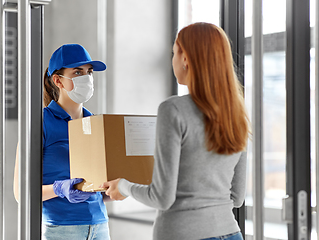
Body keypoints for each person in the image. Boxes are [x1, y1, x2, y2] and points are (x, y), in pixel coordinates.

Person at [101, 22, 250, 240]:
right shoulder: (236, 113)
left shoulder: (173, 110)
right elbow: (236, 198)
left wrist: (123, 186)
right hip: (230, 232)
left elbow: (162, 197)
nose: (173, 60)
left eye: (174, 53)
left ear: (186, 59)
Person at [13, 43, 111, 240]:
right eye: (77, 72)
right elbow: (20, 193)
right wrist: (60, 189)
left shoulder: (95, 123)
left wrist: (112, 188)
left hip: (100, 226)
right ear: (58, 80)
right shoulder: (40, 122)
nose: (87, 78)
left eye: (89, 72)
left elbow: (98, 184)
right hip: (61, 229)